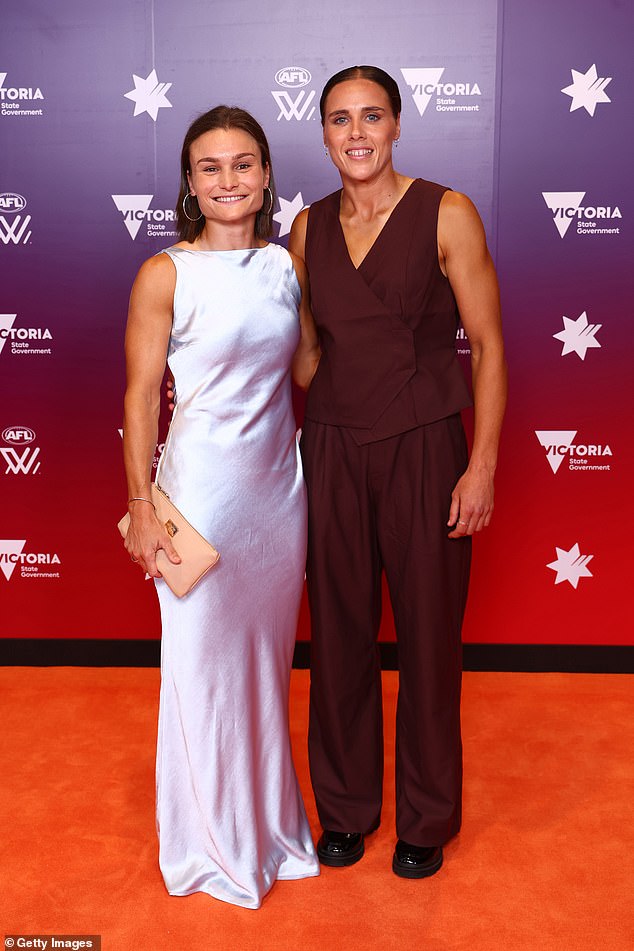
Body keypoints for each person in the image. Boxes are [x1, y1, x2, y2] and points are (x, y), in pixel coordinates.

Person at [288, 65, 507, 879]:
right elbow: (311, 360)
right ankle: (344, 811)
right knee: (339, 636)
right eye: (340, 119)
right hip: (335, 449)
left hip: (424, 447)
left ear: (398, 124)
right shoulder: (306, 231)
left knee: (425, 640)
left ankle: (426, 817)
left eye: (371, 116)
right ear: (323, 134)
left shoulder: (447, 212)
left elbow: (486, 348)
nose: (356, 134)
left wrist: (479, 466)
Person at [122, 105, 321, 909]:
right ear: (191, 183)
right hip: (199, 496)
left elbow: (309, 368)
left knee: (266, 670)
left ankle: (269, 829)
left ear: (267, 174)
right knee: (201, 671)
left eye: (243, 164)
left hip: (277, 494)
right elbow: (139, 394)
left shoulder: (287, 266)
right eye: (211, 167)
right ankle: (207, 844)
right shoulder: (165, 273)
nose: (229, 180)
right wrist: (141, 502)